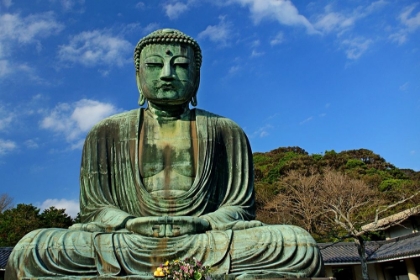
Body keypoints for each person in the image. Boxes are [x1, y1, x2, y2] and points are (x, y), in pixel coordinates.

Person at [6, 29, 323, 279]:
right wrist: (130, 223)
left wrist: (202, 224)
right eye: (155, 65)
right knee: (34, 248)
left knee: (296, 244)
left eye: (181, 65)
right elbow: (96, 210)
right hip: (128, 241)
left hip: (207, 241)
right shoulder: (106, 133)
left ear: (197, 77)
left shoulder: (227, 131)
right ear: (138, 76)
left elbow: (239, 208)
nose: (168, 74)